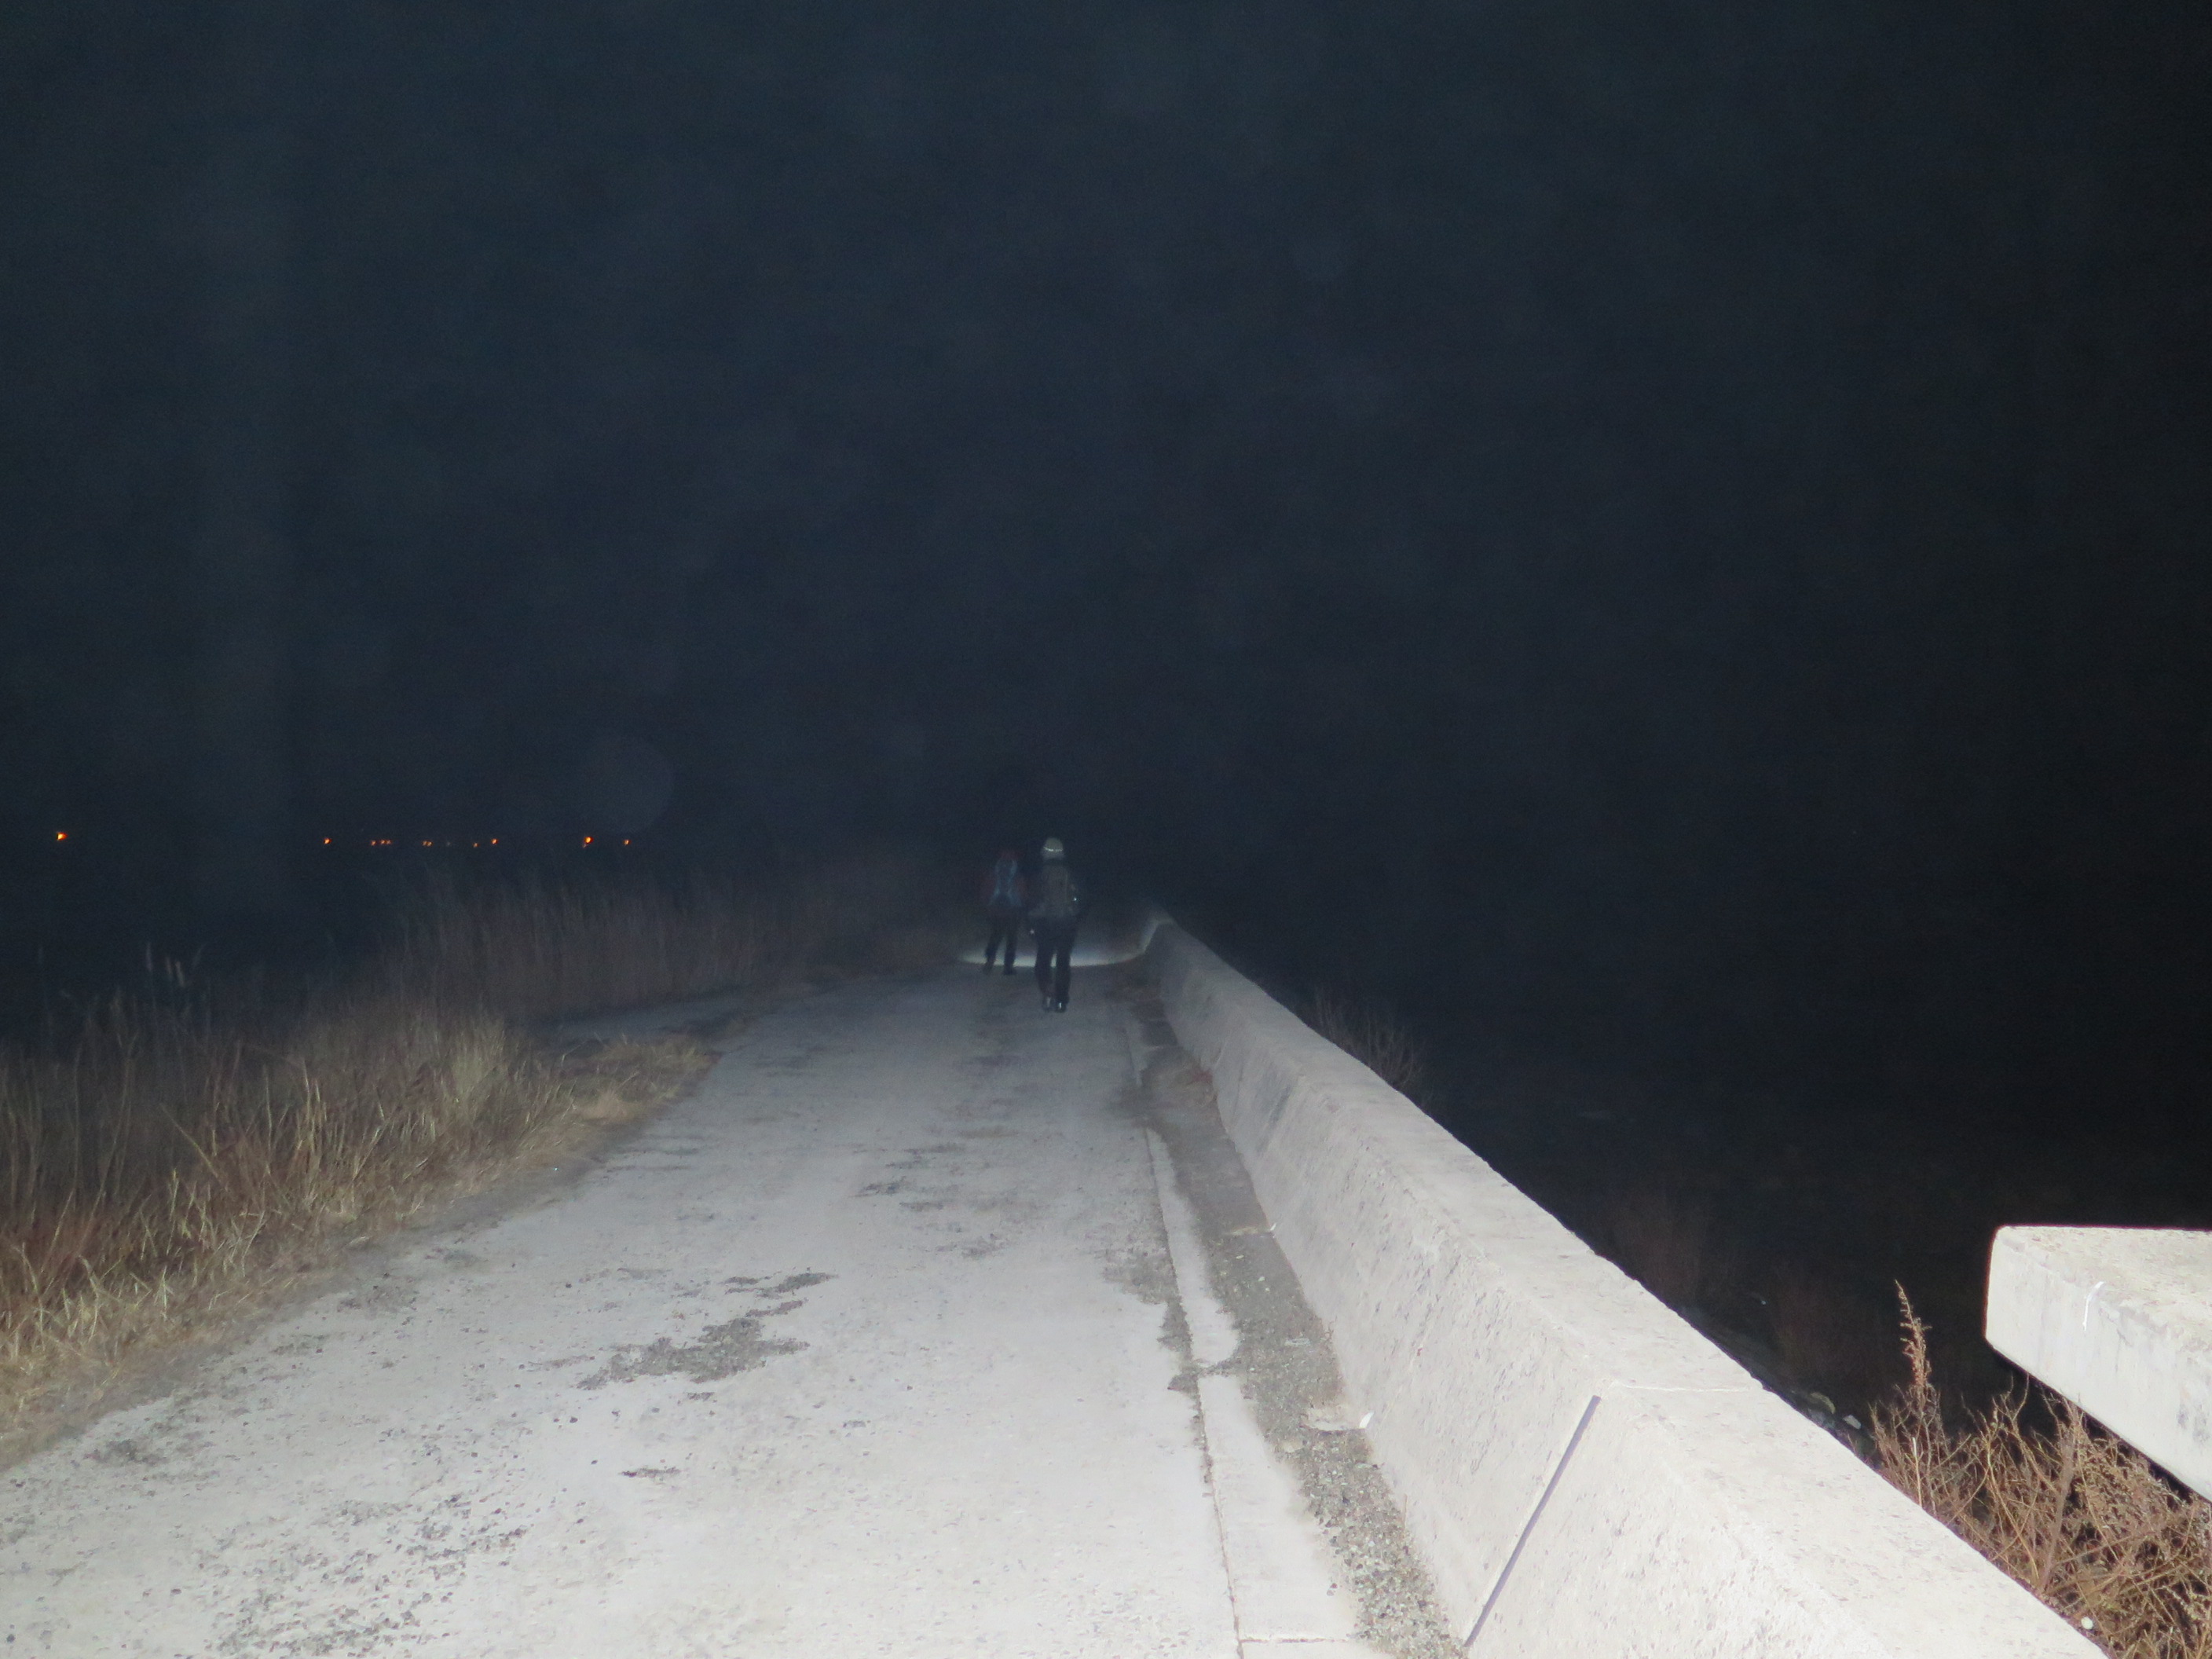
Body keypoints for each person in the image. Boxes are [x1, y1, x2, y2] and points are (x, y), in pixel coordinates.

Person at [1028, 836, 1082, 1012]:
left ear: (1045, 853)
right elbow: (1080, 898)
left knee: (1043, 960)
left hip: (1045, 923)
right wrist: (1075, 916)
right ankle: (1061, 1001)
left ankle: (1047, 991)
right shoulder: (1070, 873)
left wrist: (1030, 923)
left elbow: (1033, 900)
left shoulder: (1040, 874)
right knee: (1063, 962)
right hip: (1067, 923)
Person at [980, 848, 1027, 975]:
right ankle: (1008, 966)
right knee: (1011, 939)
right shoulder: (1016, 874)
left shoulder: (995, 873)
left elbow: (986, 890)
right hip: (1013, 910)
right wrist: (1022, 906)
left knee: (995, 936)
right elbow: (1022, 893)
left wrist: (987, 906)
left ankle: (989, 961)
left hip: (996, 909)